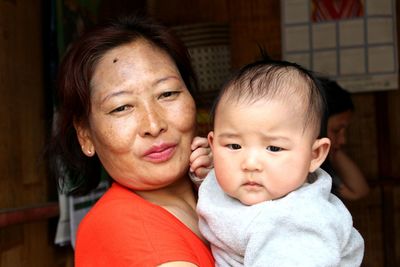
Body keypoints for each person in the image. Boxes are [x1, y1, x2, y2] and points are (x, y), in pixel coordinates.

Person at [49, 14, 214, 266]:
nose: (154, 125)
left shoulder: (220, 195)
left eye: (167, 93)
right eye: (121, 107)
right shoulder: (118, 224)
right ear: (85, 134)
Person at [195, 58, 365, 266]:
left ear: (315, 155)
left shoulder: (300, 223)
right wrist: (204, 173)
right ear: (213, 144)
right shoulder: (241, 183)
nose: (250, 163)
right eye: (234, 146)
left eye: (274, 148)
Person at [320, 77, 370, 200]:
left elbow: (358, 191)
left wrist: (333, 148)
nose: (343, 140)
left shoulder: (321, 170)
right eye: (336, 130)